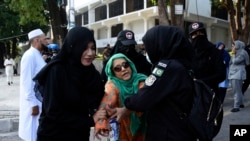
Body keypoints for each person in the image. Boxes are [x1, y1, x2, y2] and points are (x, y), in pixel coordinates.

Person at [118, 25, 197, 141]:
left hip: (168, 133)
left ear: (160, 44)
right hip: (181, 130)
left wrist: (126, 104)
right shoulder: (182, 64)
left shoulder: (167, 67)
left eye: (148, 47)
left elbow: (144, 97)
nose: (147, 52)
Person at [33, 27, 105, 141]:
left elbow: (98, 98)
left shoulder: (91, 73)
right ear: (73, 47)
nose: (90, 53)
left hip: (79, 133)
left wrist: (105, 111)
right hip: (54, 134)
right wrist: (90, 121)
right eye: (84, 48)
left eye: (93, 48)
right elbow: (53, 112)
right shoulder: (57, 70)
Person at [94, 53, 148, 141]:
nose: (123, 69)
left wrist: (127, 109)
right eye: (117, 68)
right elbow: (107, 100)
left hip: (144, 129)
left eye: (125, 65)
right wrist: (101, 121)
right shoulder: (113, 84)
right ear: (113, 73)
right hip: (122, 131)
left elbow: (145, 96)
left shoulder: (141, 80)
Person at [18, 29, 47, 141]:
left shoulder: (37, 55)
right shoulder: (29, 56)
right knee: (32, 134)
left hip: (40, 101)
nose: (46, 42)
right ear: (37, 40)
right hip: (34, 103)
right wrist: (32, 103)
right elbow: (27, 82)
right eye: (44, 39)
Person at [188, 22, 226, 103]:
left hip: (211, 94)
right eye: (194, 34)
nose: (198, 36)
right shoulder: (187, 53)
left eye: (200, 33)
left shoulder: (214, 52)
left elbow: (222, 74)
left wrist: (201, 81)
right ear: (191, 37)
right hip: (191, 96)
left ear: (204, 34)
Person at [228, 40, 249, 112]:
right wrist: (232, 54)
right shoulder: (237, 52)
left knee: (236, 91)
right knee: (239, 90)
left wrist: (233, 54)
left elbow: (235, 61)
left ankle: (236, 106)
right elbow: (230, 62)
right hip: (235, 73)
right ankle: (241, 103)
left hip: (237, 74)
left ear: (237, 45)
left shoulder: (243, 53)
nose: (232, 47)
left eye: (233, 45)